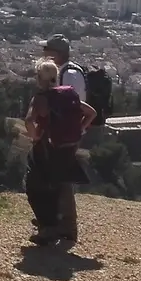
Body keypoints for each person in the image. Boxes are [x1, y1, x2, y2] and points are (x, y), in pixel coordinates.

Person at [25, 62, 97, 248]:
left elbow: (28, 121)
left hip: (47, 148)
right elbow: (91, 112)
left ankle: (48, 227)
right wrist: (80, 129)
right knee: (61, 185)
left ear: (40, 78)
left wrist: (35, 137)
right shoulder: (67, 94)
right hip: (68, 148)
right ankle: (67, 228)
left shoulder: (41, 98)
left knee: (35, 186)